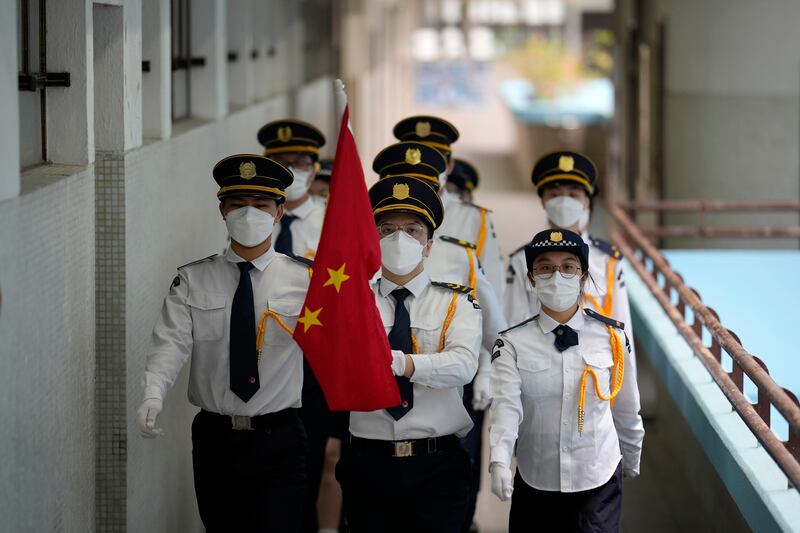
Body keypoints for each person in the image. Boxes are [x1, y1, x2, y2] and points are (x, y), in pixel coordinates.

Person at [136, 154, 311, 532]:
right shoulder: (193, 279)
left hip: (280, 436)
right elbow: (171, 341)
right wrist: (154, 392)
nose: (249, 215)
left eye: (261, 205)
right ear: (222, 211)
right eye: (238, 205)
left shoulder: (306, 281)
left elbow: (341, 339)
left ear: (279, 212)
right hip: (217, 438)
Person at [372, 141, 506, 532]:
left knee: (452, 487)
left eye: (425, 186)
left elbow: (492, 328)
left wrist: (485, 371)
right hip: (376, 411)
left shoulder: (460, 255)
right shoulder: (361, 257)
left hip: (444, 381)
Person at [336, 175, 482, 533]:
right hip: (369, 461)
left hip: (438, 463)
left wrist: (403, 363)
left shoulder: (456, 303)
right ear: (373, 238)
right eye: (387, 229)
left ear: (429, 245)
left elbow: (463, 364)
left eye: (413, 230)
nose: (399, 239)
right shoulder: (350, 302)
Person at [489, 228, 644, 533]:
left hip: (597, 475)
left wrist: (632, 455)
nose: (556, 275)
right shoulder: (511, 344)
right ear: (532, 278)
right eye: (545, 267)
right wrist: (499, 460)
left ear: (583, 277)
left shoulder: (612, 337)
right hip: (537, 478)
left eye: (568, 267)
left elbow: (626, 406)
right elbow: (505, 408)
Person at [504, 151, 637, 371]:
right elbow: (511, 321)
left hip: (595, 368)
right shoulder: (521, 260)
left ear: (586, 201)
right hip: (537, 366)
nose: (564, 201)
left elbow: (623, 328)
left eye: (573, 195)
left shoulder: (607, 260)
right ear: (543, 200)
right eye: (554, 194)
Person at [393, 115, 505, 306]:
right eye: (416, 156)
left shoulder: (474, 218)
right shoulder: (380, 215)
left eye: (434, 157)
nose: (424, 164)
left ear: (450, 165)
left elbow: (492, 287)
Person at [258, 118, 326, 259]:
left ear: (313, 171)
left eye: (300, 162)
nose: (289, 171)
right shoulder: (253, 218)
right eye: (280, 162)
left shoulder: (330, 223)